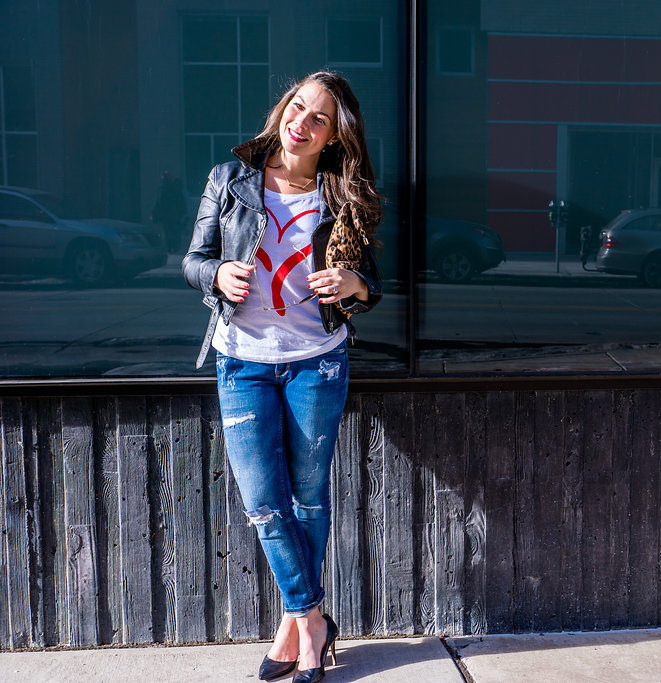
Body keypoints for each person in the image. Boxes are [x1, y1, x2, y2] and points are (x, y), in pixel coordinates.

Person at [182, 71, 383, 683]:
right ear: (282, 109)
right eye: (298, 107)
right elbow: (192, 261)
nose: (302, 122)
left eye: (319, 118)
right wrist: (216, 277)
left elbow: (368, 283)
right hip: (242, 360)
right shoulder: (230, 179)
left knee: (310, 496)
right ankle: (312, 618)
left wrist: (352, 285)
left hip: (317, 361)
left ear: (333, 138)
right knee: (265, 503)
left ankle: (291, 633)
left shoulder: (340, 195)